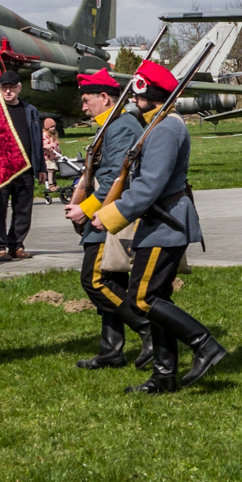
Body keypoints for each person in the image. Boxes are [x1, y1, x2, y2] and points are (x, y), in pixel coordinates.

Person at [83, 59, 228, 394]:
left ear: (154, 95)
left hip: (166, 222)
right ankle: (164, 376)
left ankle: (204, 344)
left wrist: (109, 215)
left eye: (139, 95)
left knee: (143, 298)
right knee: (156, 297)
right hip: (158, 221)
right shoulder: (158, 124)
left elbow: (149, 187)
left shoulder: (165, 129)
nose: (134, 100)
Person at [63, 69, 150, 371]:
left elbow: (116, 178)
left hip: (108, 215)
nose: (83, 107)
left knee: (95, 280)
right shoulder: (112, 125)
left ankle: (148, 329)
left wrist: (85, 210)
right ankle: (111, 351)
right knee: (111, 282)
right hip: (106, 212)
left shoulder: (121, 126)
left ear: (104, 97)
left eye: (87, 100)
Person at [0, 70, 47, 261]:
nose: (8, 91)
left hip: (25, 168)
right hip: (1, 170)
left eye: (12, 87)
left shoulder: (30, 110)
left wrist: (41, 167)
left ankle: (16, 244)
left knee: (23, 209)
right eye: (4, 88)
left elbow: (37, 140)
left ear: (19, 88)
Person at [40, 116, 65, 202]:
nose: (53, 128)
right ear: (47, 127)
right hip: (48, 156)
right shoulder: (45, 135)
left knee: (54, 170)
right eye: (51, 127)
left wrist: (59, 151)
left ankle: (54, 183)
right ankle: (51, 185)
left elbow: (56, 144)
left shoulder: (54, 134)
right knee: (50, 170)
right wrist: (48, 147)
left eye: (54, 127)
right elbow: (44, 144)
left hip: (54, 155)